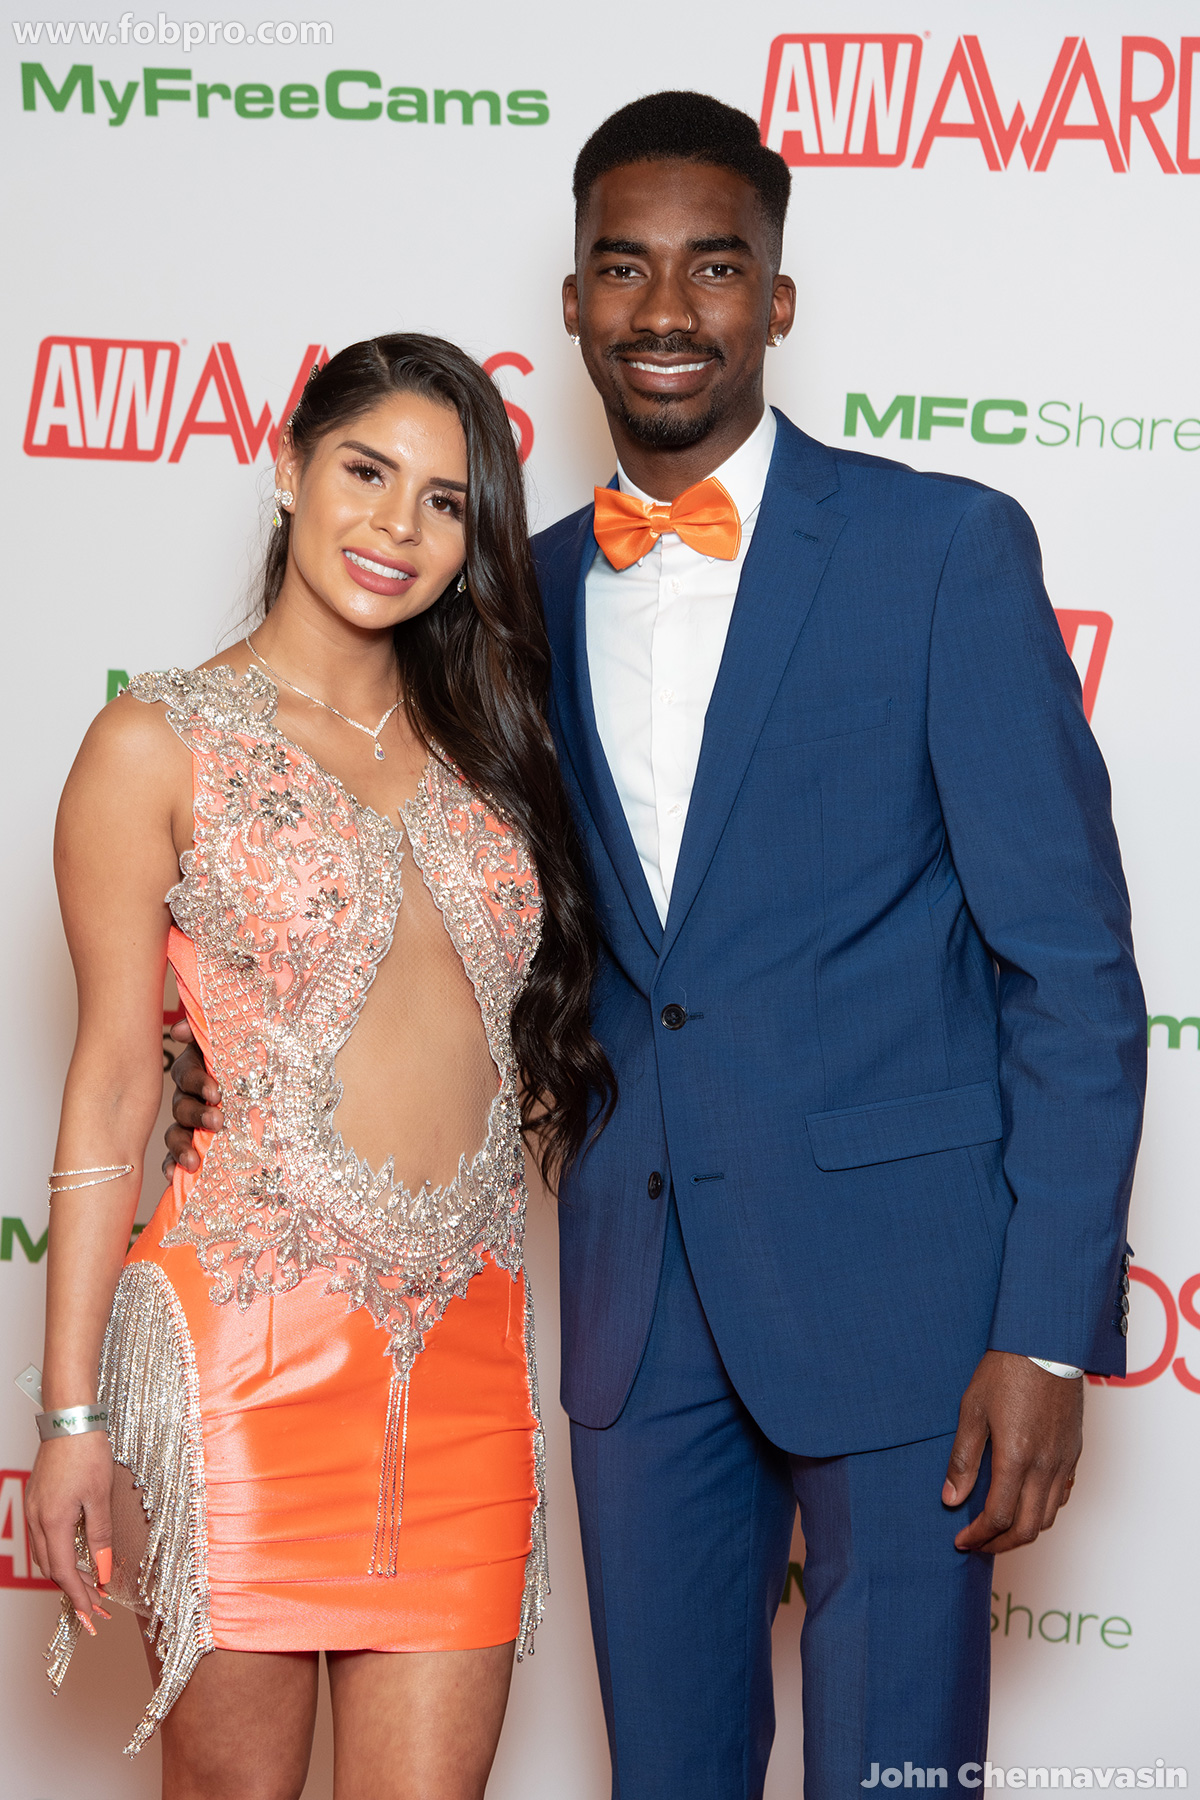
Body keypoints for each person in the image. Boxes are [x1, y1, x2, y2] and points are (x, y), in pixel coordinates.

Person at [168, 95, 1147, 1798]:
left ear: (779, 298)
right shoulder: (506, 603)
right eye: (625, 267)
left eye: (717, 266)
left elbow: (1071, 972)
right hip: (637, 1314)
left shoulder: (941, 550)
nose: (668, 308)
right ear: (571, 303)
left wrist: (1048, 1331)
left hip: (911, 1304)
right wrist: (215, 1036)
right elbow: (403, 880)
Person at [27, 333, 612, 1800]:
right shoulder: (153, 744)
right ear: (289, 468)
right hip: (247, 1355)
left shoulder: (502, 745)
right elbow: (112, 1088)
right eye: (365, 472)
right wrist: (70, 1418)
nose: (395, 526)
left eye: (444, 502)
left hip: (470, 1359)